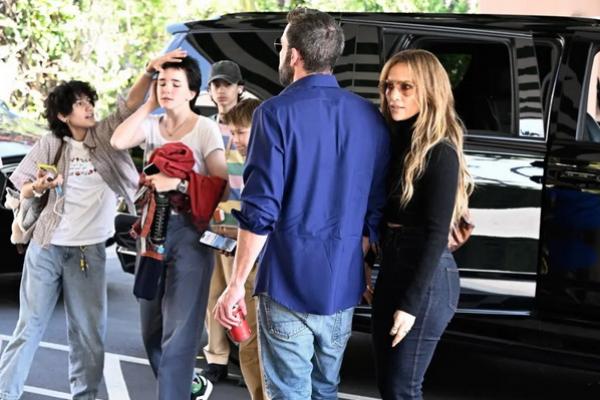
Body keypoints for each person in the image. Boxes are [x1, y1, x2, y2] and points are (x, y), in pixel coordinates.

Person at [214, 8, 390, 400]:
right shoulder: (369, 118)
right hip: (342, 285)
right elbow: (374, 209)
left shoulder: (273, 114)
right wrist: (360, 265)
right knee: (325, 390)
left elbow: (260, 210)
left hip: (288, 283)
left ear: (293, 55)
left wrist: (236, 285)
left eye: (281, 46)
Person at [0, 50, 185, 400]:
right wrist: (38, 187)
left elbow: (128, 106)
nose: (89, 107)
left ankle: (84, 396)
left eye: (89, 101)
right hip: (46, 247)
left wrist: (149, 72)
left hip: (89, 251)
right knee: (29, 327)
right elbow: (18, 187)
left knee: (88, 334)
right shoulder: (50, 144)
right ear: (62, 114)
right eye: (80, 103)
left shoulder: (105, 137)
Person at [110, 55, 228, 400]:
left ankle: (173, 393)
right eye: (163, 83)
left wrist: (176, 184)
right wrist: (148, 103)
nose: (167, 89)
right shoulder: (152, 125)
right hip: (151, 233)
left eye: (176, 84)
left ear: (192, 91)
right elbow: (119, 141)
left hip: (191, 234)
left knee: (181, 332)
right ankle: (187, 386)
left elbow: (221, 181)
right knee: (151, 329)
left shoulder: (205, 129)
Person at [371, 49, 473, 399]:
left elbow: (435, 235)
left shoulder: (440, 151)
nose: (393, 96)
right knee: (389, 386)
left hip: (426, 280)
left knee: (402, 389)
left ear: (429, 91)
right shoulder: (395, 140)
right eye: (388, 86)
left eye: (406, 87)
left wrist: (411, 305)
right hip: (394, 267)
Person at [204, 99, 265, 399]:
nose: (235, 140)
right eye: (233, 133)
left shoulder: (265, 168)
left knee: (253, 345)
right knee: (250, 345)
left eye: (241, 132)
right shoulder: (251, 163)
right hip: (234, 248)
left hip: (256, 266)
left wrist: (238, 281)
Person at [201, 59, 246, 384]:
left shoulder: (252, 121)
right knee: (213, 292)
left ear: (239, 88)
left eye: (226, 84)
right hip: (213, 222)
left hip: (245, 225)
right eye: (216, 85)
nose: (221, 90)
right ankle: (216, 357)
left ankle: (248, 359)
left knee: (242, 295)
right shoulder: (205, 126)